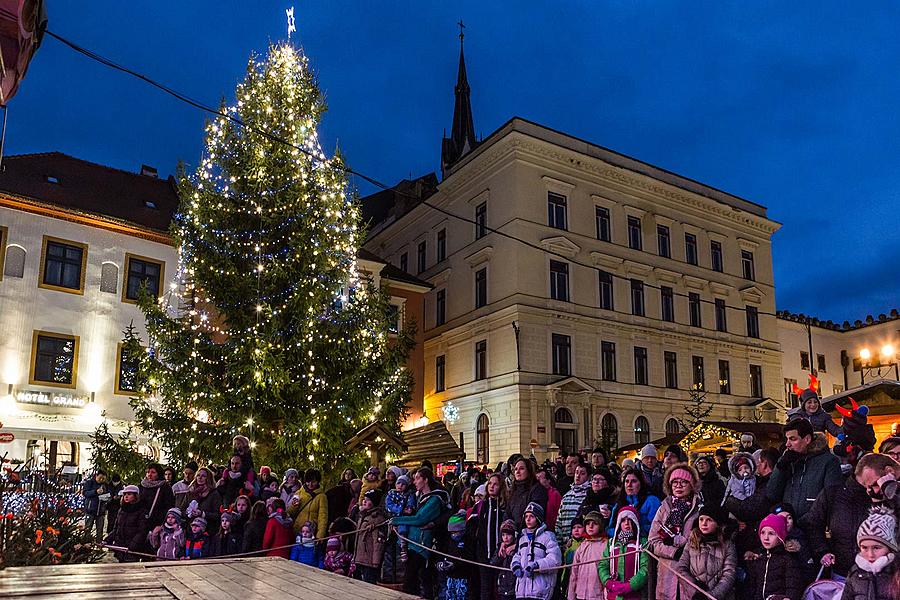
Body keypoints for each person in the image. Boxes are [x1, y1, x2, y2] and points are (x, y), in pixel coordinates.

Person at [803, 452, 894, 578]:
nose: (874, 490)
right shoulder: (832, 494)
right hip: (842, 572)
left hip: (885, 573)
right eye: (871, 485)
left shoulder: (891, 496)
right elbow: (813, 524)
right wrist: (822, 551)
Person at [392, 467, 452, 599]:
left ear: (426, 480)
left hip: (421, 545)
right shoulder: (419, 497)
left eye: (418, 478)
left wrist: (396, 520)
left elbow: (420, 519)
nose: (414, 482)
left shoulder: (434, 500)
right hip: (413, 543)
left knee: (414, 581)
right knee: (415, 581)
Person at [767, 418, 842, 519]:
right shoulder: (788, 461)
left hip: (814, 528)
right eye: (787, 439)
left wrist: (807, 522)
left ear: (807, 439)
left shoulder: (829, 462)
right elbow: (772, 494)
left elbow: (831, 499)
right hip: (788, 525)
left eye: (793, 439)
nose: (787, 444)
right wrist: (779, 468)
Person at [648, 463, 702, 600]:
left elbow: (700, 538)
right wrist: (673, 552)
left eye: (684, 482)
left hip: (691, 571)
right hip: (667, 571)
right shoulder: (663, 509)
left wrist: (681, 545)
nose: (678, 486)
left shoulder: (699, 510)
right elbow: (653, 541)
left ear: (692, 485)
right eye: (675, 482)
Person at [675, 504, 737, 600]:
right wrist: (695, 590)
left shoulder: (727, 545)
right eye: (701, 519)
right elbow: (681, 568)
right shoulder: (692, 541)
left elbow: (729, 574)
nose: (704, 523)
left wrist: (710, 596)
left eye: (709, 520)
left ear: (718, 523)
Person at [840, 507, 897, 600]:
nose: (870, 555)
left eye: (876, 548)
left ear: (890, 548)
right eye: (864, 548)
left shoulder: (896, 574)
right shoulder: (854, 574)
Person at [510, 502, 561, 600]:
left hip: (540, 590)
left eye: (532, 516)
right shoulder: (522, 538)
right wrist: (515, 565)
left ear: (538, 518)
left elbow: (555, 560)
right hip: (522, 591)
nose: (528, 519)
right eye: (526, 517)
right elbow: (517, 555)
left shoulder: (548, 537)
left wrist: (537, 565)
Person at [744, 513, 802, 600]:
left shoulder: (788, 558)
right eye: (762, 532)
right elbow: (751, 587)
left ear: (780, 537)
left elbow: (793, 587)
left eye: (771, 533)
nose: (766, 537)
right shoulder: (758, 557)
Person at [470, 472, 508, 600]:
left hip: (501, 554)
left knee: (501, 589)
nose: (492, 486)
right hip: (483, 554)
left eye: (496, 484)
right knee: (485, 589)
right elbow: (471, 528)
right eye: (490, 483)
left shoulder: (505, 506)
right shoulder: (480, 505)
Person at [597, 505, 648, 600]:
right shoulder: (611, 543)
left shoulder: (642, 543)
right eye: (623, 520)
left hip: (635, 595)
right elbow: (602, 565)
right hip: (613, 595)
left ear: (635, 523)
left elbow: (646, 567)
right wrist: (608, 582)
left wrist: (631, 585)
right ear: (619, 523)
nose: (627, 523)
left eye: (630, 520)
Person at [606, 467, 661, 537]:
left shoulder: (652, 501)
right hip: (620, 544)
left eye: (634, 481)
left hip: (645, 543)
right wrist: (621, 532)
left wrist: (635, 530)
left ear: (641, 483)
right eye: (626, 481)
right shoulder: (619, 503)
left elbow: (656, 527)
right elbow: (610, 528)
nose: (629, 485)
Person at [567, 510, 607, 600]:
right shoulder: (582, 546)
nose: (591, 526)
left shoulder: (606, 545)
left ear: (600, 526)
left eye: (595, 523)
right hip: (580, 594)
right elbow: (574, 573)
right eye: (588, 523)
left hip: (598, 595)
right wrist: (571, 596)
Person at [352, 489, 388, 584]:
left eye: (367, 500)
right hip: (360, 558)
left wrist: (376, 561)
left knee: (368, 583)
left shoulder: (377, 519)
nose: (364, 501)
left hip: (369, 561)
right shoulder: (362, 516)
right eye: (364, 499)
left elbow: (378, 542)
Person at [104, 484, 147, 563]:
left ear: (135, 496)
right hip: (121, 546)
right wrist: (107, 540)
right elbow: (117, 528)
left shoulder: (141, 511)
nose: (126, 496)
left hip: (132, 548)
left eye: (129, 494)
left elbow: (142, 531)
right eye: (125, 494)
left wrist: (133, 545)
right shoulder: (122, 510)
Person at [434, 512, 470, 600]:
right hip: (449, 577)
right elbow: (441, 553)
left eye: (455, 532)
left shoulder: (468, 540)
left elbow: (469, 557)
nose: (453, 534)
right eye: (451, 532)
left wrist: (455, 564)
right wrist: (440, 563)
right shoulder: (447, 540)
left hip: (462, 578)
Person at [180, 466, 223, 536]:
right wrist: (189, 513)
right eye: (198, 475)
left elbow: (218, 515)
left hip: (207, 533)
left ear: (208, 478)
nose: (200, 478)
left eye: (203, 476)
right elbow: (181, 511)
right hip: (190, 532)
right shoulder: (190, 493)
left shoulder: (214, 494)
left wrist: (203, 514)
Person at [508, 458, 549, 530]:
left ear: (528, 471)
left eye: (521, 469)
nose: (518, 471)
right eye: (516, 469)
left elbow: (535, 514)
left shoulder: (537, 489)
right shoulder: (513, 492)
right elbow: (508, 513)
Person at [288, 468, 328, 539]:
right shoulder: (299, 493)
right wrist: (294, 506)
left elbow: (323, 517)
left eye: (313, 482)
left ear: (318, 481)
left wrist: (320, 535)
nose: (310, 484)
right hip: (298, 531)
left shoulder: (321, 496)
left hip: (312, 532)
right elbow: (290, 513)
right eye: (308, 481)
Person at [556, 463, 590, 546]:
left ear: (588, 476)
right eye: (576, 472)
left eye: (582, 473)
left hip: (584, 543)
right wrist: (559, 544)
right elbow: (559, 522)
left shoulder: (590, 495)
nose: (578, 476)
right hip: (566, 544)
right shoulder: (566, 496)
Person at [139, 463, 176, 531]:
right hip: (140, 522)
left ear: (158, 473)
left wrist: (160, 523)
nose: (149, 474)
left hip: (156, 524)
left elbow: (168, 506)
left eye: (153, 472)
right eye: (148, 472)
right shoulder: (141, 486)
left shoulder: (165, 488)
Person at [491, 519, 518, 600]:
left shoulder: (518, 548)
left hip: (514, 587)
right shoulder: (500, 547)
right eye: (503, 535)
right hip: (502, 587)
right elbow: (493, 562)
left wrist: (514, 550)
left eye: (509, 535)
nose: (505, 538)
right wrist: (501, 556)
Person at [82, 469, 110, 540]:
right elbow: (85, 493)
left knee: (100, 530)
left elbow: (109, 494)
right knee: (88, 529)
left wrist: (107, 498)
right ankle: (86, 543)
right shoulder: (89, 483)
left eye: (103, 478)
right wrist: (95, 492)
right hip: (90, 510)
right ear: (96, 476)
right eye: (100, 478)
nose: (101, 479)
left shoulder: (106, 485)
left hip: (101, 511)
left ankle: (99, 545)